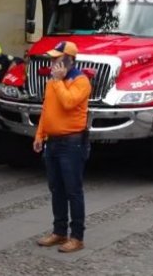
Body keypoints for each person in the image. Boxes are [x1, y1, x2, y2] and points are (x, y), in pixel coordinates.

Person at [33, 41, 91, 253]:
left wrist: (57, 82)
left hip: (72, 143)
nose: (52, 62)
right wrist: (40, 134)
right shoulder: (53, 82)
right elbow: (47, 109)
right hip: (53, 142)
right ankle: (59, 232)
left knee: (73, 190)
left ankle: (77, 237)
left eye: (56, 58)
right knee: (56, 188)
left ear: (69, 60)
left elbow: (68, 103)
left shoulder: (81, 81)